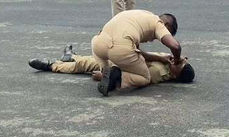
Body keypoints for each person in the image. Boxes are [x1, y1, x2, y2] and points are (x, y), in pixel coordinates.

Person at [91, 10, 182, 96]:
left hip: (98, 44)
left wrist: (160, 58)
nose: (155, 39)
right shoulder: (158, 23)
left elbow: (138, 52)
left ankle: (105, 72)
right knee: (145, 78)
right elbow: (175, 47)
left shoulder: (142, 15)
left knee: (99, 45)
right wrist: (176, 61)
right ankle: (117, 77)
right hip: (121, 49)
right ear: (166, 25)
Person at [28, 44, 195, 87]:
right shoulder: (169, 62)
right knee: (90, 59)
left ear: (175, 75)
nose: (178, 61)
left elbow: (135, 78)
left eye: (179, 65)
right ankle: (71, 57)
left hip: (119, 67)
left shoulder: (159, 73)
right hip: (124, 58)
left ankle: (51, 66)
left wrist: (107, 77)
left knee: (85, 65)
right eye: (182, 61)